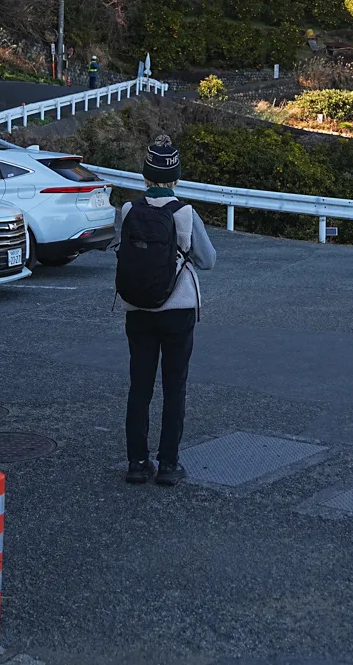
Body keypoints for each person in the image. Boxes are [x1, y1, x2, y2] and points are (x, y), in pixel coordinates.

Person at [113, 134, 216, 486]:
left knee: (139, 387)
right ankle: (168, 464)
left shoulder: (129, 210)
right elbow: (208, 260)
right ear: (175, 178)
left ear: (145, 177)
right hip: (177, 310)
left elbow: (123, 249)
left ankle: (137, 463)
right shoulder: (185, 213)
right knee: (175, 387)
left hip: (137, 308)